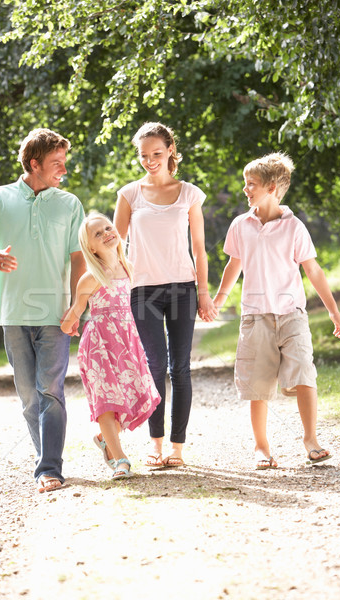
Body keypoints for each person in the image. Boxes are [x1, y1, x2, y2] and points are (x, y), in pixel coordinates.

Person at [213, 152, 340, 469]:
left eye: (251, 184)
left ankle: (311, 440)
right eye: (245, 184)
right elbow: (234, 265)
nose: (245, 190)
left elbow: (313, 271)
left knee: (304, 372)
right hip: (255, 316)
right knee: (258, 383)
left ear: (272, 187)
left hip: (292, 315)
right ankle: (262, 448)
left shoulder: (294, 227)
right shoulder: (240, 225)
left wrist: (333, 311)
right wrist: (218, 300)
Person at [0, 128, 86, 493]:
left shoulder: (69, 204)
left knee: (50, 390)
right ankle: (46, 460)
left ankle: (49, 468)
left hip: (54, 313)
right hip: (12, 313)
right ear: (34, 163)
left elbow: (78, 259)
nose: (63, 170)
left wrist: (75, 307)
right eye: (56, 164)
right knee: (28, 397)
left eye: (64, 164)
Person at [114, 122, 217, 468]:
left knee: (181, 368)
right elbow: (113, 249)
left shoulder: (189, 193)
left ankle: (177, 448)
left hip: (182, 289)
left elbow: (200, 250)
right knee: (154, 366)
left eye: (156, 153)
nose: (150, 160)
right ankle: (155, 444)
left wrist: (204, 294)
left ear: (170, 149)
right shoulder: (129, 194)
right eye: (144, 155)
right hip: (142, 290)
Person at [61, 212, 161, 479]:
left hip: (125, 341)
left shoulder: (128, 267)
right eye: (98, 233)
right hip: (99, 345)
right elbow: (75, 311)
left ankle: (104, 438)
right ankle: (121, 460)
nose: (107, 233)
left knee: (128, 395)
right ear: (90, 247)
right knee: (106, 401)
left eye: (108, 227)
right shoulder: (91, 277)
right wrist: (68, 323)